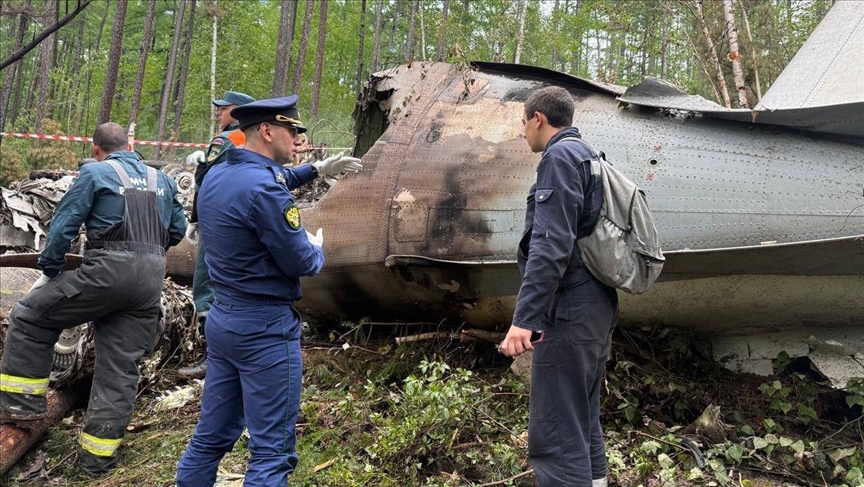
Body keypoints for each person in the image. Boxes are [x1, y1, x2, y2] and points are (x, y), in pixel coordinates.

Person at [175, 96, 362, 487]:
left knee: (210, 437)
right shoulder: (264, 190)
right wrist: (314, 246)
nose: (297, 139)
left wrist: (316, 169)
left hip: (225, 321)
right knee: (271, 452)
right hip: (264, 330)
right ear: (267, 131)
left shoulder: (219, 175)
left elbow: (267, 178)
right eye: (292, 131)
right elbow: (302, 263)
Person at [0, 122, 187, 477]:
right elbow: (177, 230)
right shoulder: (161, 180)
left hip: (107, 272)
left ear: (96, 148)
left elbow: (65, 224)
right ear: (129, 146)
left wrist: (52, 266)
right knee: (119, 369)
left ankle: (22, 408)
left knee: (29, 316)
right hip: (150, 279)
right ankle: (97, 464)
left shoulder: (95, 173)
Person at [498, 86, 618, 487]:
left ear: (538, 119)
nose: (522, 133)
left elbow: (549, 247)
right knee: (582, 418)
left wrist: (524, 320)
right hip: (595, 306)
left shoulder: (560, 157)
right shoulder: (588, 155)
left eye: (523, 123)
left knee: (555, 431)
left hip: (569, 311)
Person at [179, 90, 255, 380]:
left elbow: (204, 181)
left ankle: (213, 359)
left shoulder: (225, 139)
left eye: (223, 109)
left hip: (218, 220)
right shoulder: (257, 138)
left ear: (236, 112)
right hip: (244, 221)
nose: (219, 114)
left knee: (206, 286)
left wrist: (195, 220)